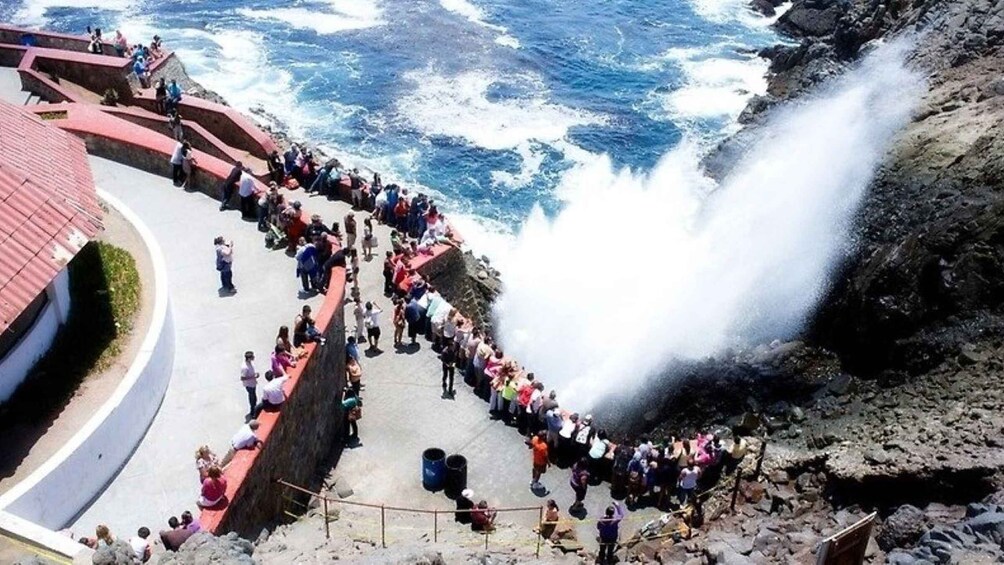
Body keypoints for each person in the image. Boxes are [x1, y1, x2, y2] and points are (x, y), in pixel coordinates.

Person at [239, 350, 258, 418]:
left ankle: (254, 410)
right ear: (249, 358)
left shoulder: (250, 363)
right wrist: (253, 377)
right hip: (249, 385)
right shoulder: (244, 367)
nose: (254, 357)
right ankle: (253, 412)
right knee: (252, 399)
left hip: (252, 383)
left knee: (254, 398)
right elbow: (242, 378)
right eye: (252, 356)